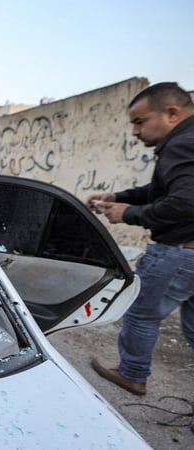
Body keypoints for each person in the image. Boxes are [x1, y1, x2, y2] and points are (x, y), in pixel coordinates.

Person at [86, 82, 194, 396]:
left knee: (140, 311)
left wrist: (129, 214)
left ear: (171, 113)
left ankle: (132, 373)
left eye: (139, 122)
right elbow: (161, 192)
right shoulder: (186, 141)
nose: (135, 132)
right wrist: (118, 197)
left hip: (178, 253)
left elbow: (185, 204)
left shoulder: (181, 145)